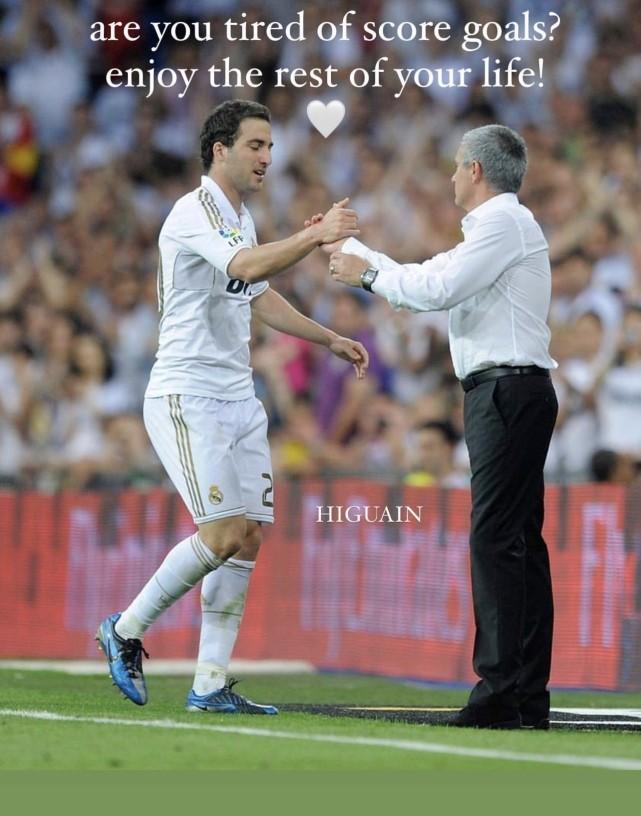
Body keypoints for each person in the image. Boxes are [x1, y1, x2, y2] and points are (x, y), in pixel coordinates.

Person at [96, 99, 368, 714]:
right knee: (219, 533)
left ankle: (210, 683)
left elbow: (257, 293)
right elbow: (244, 265)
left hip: (238, 395)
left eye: (270, 147)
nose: (267, 157)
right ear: (219, 150)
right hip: (188, 393)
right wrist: (313, 235)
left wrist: (327, 338)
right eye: (256, 145)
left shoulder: (238, 218)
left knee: (247, 538)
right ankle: (125, 629)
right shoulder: (192, 212)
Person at [326, 124, 558, 729]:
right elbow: (426, 275)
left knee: (497, 540)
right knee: (518, 542)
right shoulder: (496, 229)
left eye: (457, 165)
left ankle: (500, 694)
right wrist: (358, 253)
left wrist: (366, 274)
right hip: (511, 390)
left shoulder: (503, 224)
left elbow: (438, 289)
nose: (452, 175)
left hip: (506, 390)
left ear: (475, 171)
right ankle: (525, 694)